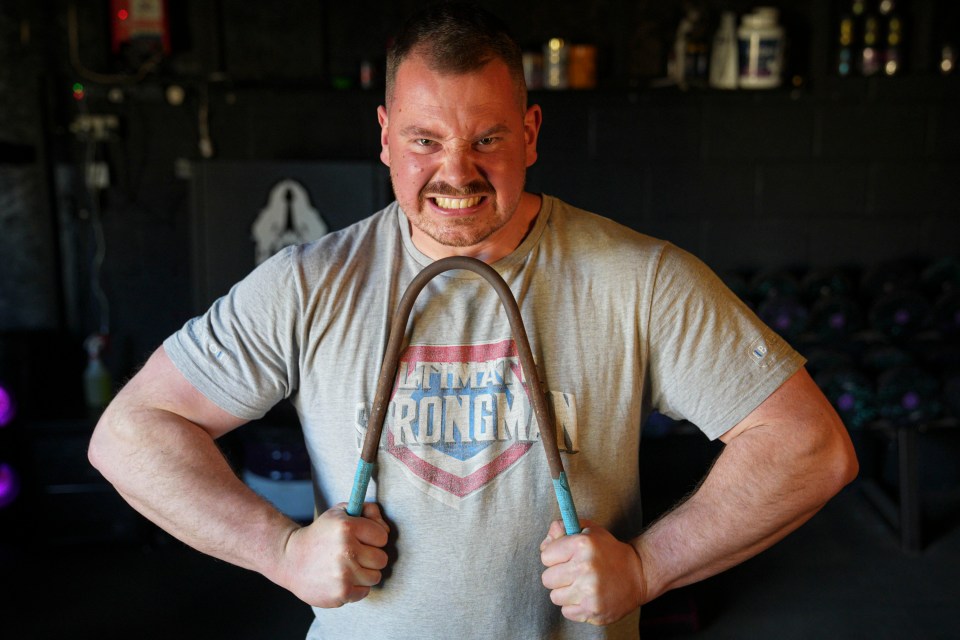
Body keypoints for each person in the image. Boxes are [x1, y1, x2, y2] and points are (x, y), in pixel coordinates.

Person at [88, 3, 858, 639]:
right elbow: (132, 431)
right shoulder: (308, 284)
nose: (456, 172)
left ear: (528, 131)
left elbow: (811, 446)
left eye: (487, 138)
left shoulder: (639, 278)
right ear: (385, 135)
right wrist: (282, 551)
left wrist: (649, 567)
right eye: (426, 141)